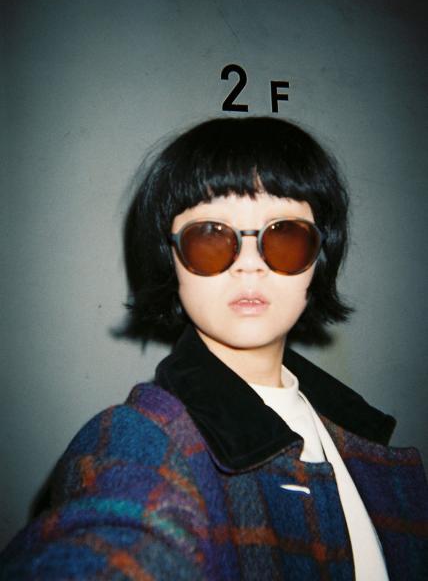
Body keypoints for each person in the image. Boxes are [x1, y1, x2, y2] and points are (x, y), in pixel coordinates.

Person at [1, 117, 427, 580]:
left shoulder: (361, 433)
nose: (249, 265)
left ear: (317, 259)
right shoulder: (142, 439)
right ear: (171, 259)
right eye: (210, 236)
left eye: (284, 235)